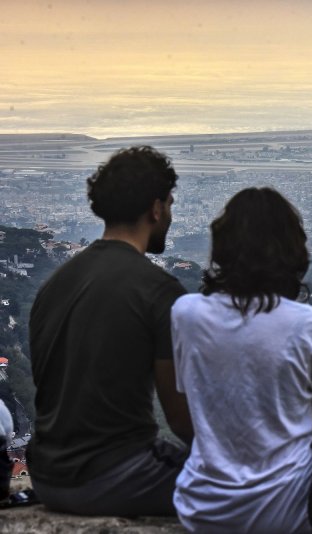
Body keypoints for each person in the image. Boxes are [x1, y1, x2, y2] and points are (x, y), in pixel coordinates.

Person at [171, 187, 312, 533]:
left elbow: (190, 401)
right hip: (289, 512)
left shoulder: (186, 314)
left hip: (203, 508)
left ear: (222, 246)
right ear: (293, 250)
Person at [28, 146, 193, 516]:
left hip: (46, 476)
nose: (169, 214)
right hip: (117, 476)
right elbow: (181, 418)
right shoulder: (159, 291)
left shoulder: (54, 284)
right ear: (155, 208)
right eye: (169, 203)